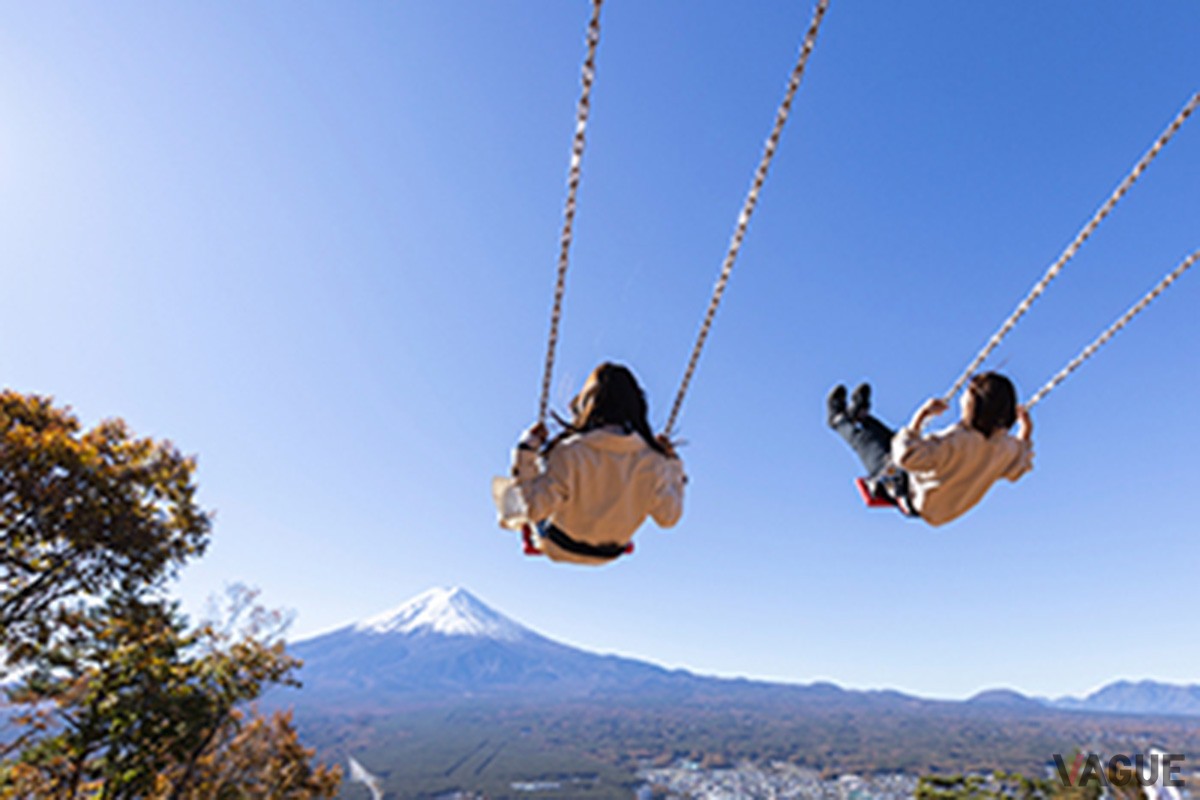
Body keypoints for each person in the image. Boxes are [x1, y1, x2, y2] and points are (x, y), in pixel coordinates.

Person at [492, 363, 686, 564]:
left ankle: (528, 531)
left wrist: (526, 449)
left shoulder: (569, 452)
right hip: (609, 552)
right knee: (627, 489)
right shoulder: (654, 462)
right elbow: (669, 518)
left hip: (559, 546)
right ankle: (612, 531)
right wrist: (672, 465)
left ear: (587, 403)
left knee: (518, 489)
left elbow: (533, 509)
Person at [826, 372, 1033, 526]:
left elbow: (905, 456)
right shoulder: (1004, 448)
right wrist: (1026, 429)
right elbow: (1019, 464)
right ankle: (862, 416)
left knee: (869, 444)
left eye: (966, 394)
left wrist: (922, 415)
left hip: (910, 494)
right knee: (893, 439)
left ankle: (838, 420)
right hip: (941, 505)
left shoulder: (956, 442)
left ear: (972, 405)